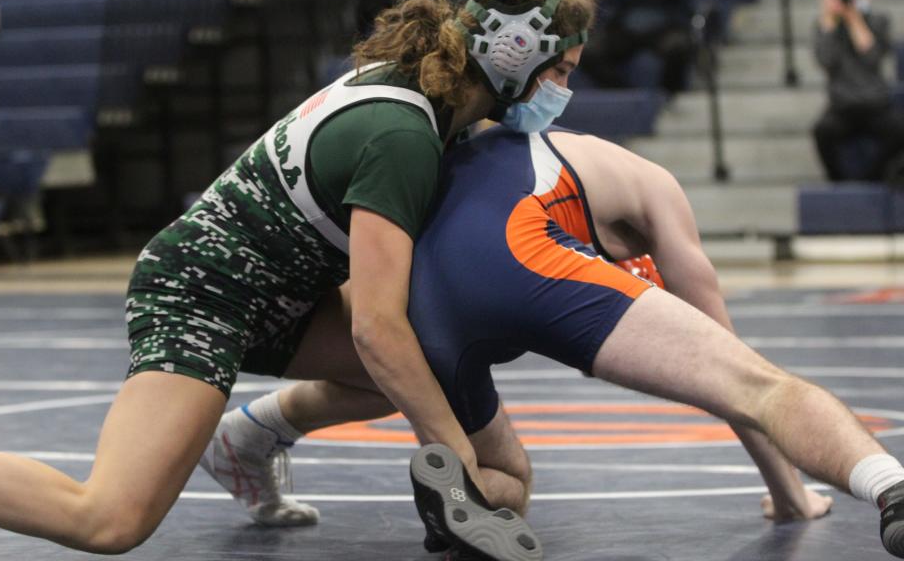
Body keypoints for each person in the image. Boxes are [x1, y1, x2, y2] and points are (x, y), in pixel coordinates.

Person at [0, 0, 591, 558]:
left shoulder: (428, 91)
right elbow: (374, 326)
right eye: (560, 72)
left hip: (279, 288)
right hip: (202, 293)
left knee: (422, 365)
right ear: (513, 54)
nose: (564, 91)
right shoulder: (404, 137)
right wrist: (457, 461)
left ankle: (248, 438)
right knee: (111, 519)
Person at [215, 126, 904, 559]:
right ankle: (892, 487)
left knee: (490, 464)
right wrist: (788, 495)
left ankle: (255, 429)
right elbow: (735, 370)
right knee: (760, 384)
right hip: (523, 254)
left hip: (416, 301)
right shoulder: (655, 188)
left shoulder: (460, 137)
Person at [812, 0, 904, 182]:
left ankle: (872, 179)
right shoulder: (828, 26)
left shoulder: (879, 21)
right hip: (843, 106)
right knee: (822, 132)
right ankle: (839, 183)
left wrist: (855, 19)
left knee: (900, 131)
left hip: (875, 104)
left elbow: (872, 57)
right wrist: (828, 22)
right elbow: (826, 60)